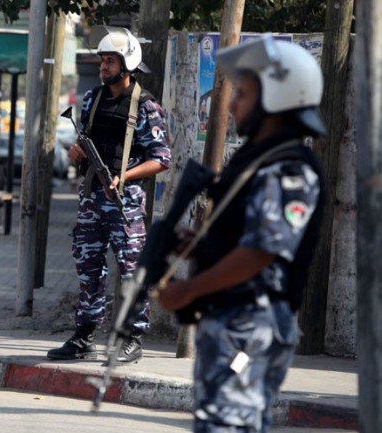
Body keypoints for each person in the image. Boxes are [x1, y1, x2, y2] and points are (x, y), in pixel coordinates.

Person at [158, 36, 327, 432]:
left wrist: (189, 289)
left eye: (244, 94)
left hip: (253, 322)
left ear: (277, 99)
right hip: (236, 320)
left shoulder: (288, 169)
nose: (232, 105)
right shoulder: (260, 162)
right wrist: (199, 248)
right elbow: (246, 242)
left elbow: (260, 253)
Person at [47, 27, 171, 363]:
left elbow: (161, 159)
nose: (103, 66)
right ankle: (85, 335)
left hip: (125, 203)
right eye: (102, 60)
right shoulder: (91, 100)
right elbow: (86, 143)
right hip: (91, 201)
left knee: (131, 270)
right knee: (89, 267)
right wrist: (76, 153)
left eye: (110, 61)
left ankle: (132, 337)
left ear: (127, 63)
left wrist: (124, 176)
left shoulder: (146, 107)